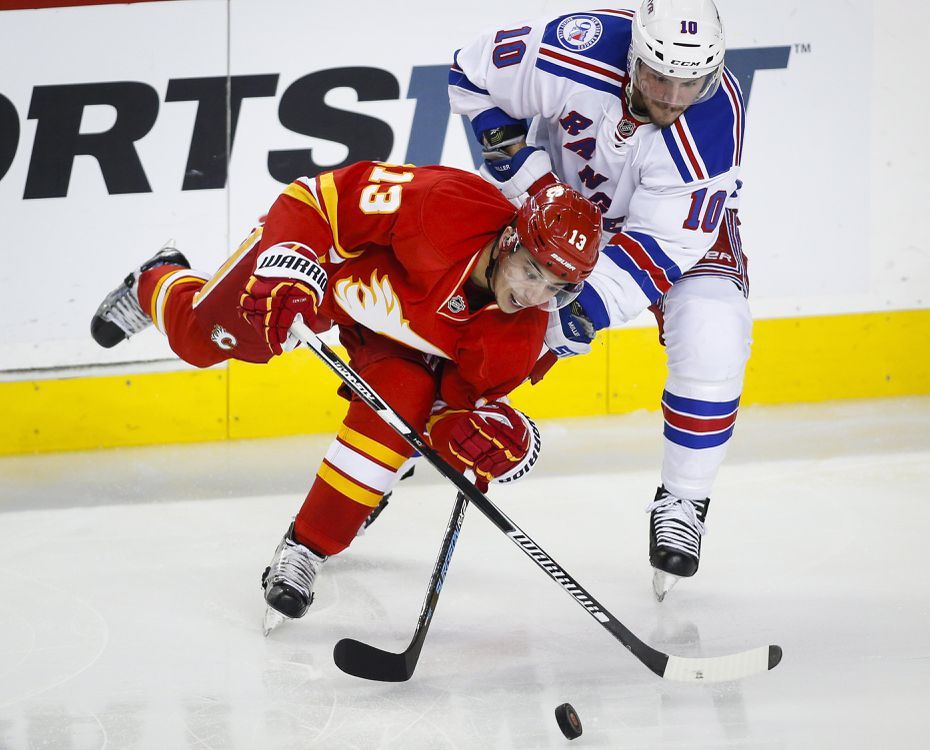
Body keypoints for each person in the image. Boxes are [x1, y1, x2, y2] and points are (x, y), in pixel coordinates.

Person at [90, 161, 602, 633]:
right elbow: (315, 199)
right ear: (510, 239)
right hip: (325, 278)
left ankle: (306, 548)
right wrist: (289, 261)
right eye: (532, 272)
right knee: (201, 341)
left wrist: (468, 433)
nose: (535, 296)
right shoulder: (444, 205)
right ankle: (154, 279)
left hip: (392, 343)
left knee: (401, 407)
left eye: (555, 288)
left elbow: (451, 406)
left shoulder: (517, 338)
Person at [449, 0, 751, 598]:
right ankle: (396, 453)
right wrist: (518, 162)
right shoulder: (579, 46)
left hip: (670, 234)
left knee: (715, 335)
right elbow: (470, 71)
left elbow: (661, 243)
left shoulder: (713, 120)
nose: (671, 96)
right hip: (556, 216)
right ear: (633, 56)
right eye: (659, 76)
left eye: (690, 81)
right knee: (463, 331)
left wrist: (580, 308)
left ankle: (684, 501)